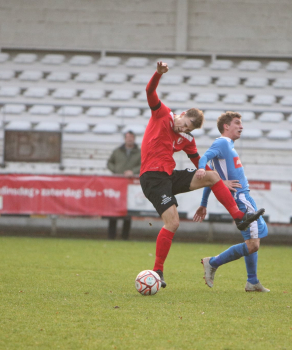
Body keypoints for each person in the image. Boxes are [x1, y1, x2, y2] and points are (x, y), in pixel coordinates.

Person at [141, 62, 264, 288]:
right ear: (182, 114)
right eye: (184, 124)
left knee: (212, 176)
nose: (183, 130)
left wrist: (219, 179)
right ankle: (158, 271)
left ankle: (238, 217)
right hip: (152, 177)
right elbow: (150, 92)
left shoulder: (187, 139)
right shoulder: (162, 114)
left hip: (168, 175)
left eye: (188, 129)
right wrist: (158, 74)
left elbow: (198, 162)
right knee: (173, 223)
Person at [193, 111, 269, 292]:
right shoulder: (222, 143)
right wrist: (202, 170)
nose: (241, 126)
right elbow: (204, 158)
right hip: (241, 198)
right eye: (237, 123)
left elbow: (213, 179)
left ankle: (252, 281)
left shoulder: (229, 146)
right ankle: (212, 262)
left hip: (242, 197)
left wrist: (204, 203)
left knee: (253, 240)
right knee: (253, 244)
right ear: (226, 126)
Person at [107, 130, 141, 240]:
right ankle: (111, 235)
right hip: (117, 183)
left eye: (131, 137)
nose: (129, 139)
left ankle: (125, 236)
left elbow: (144, 165)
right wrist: (116, 170)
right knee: (114, 208)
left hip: (131, 185)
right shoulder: (117, 151)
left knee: (128, 210)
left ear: (134, 139)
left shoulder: (140, 152)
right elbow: (109, 163)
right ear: (124, 139)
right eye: (128, 137)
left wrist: (133, 172)